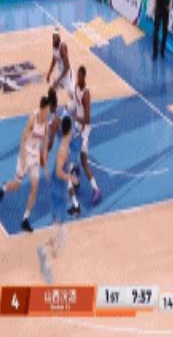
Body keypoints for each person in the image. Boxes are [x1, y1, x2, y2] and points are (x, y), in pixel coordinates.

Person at [0, 96, 50, 233]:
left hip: (35, 157)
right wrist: (22, 157)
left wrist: (44, 161)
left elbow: (45, 143)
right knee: (16, 186)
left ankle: (25, 219)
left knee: (35, 187)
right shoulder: (32, 119)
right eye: (47, 110)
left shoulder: (46, 124)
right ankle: (5, 186)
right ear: (42, 109)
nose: (48, 113)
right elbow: (23, 138)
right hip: (25, 154)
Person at [37, 115, 76, 284]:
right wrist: (71, 178)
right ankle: (46, 259)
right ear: (70, 131)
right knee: (62, 233)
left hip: (59, 190)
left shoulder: (64, 148)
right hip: (58, 191)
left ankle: (43, 251)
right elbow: (59, 172)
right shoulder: (63, 150)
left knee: (59, 230)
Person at [68, 66, 101, 216]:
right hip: (77, 127)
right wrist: (69, 109)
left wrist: (75, 117)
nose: (79, 79)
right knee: (80, 159)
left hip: (84, 131)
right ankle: (77, 177)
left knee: (82, 160)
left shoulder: (86, 94)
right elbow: (75, 105)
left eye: (80, 77)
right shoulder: (76, 88)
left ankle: (95, 189)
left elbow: (87, 119)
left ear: (84, 77)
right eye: (78, 76)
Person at [46, 27, 74, 99]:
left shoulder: (62, 47)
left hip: (67, 74)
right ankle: (52, 105)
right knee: (51, 91)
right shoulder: (54, 44)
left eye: (55, 37)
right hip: (59, 72)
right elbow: (54, 59)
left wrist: (58, 80)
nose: (54, 39)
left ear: (59, 37)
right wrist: (49, 73)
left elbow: (67, 67)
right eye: (53, 37)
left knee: (72, 95)